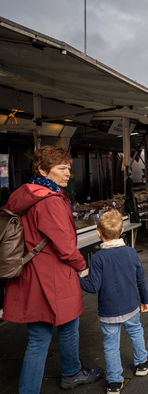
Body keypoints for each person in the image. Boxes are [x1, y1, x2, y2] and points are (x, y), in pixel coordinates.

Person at [3, 146, 103, 393]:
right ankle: (71, 373)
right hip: (54, 276)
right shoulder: (50, 200)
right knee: (67, 327)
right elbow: (66, 246)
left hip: (28, 275)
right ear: (43, 170)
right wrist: (82, 266)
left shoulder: (24, 194)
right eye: (61, 168)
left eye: (68, 167)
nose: (68, 172)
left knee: (38, 338)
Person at [78, 210, 148, 393]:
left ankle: (114, 382)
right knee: (135, 332)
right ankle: (142, 363)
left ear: (98, 233)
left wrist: (75, 278)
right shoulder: (130, 252)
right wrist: (145, 300)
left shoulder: (98, 258)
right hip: (131, 305)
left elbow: (93, 287)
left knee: (110, 344)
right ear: (121, 232)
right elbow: (140, 279)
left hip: (108, 310)